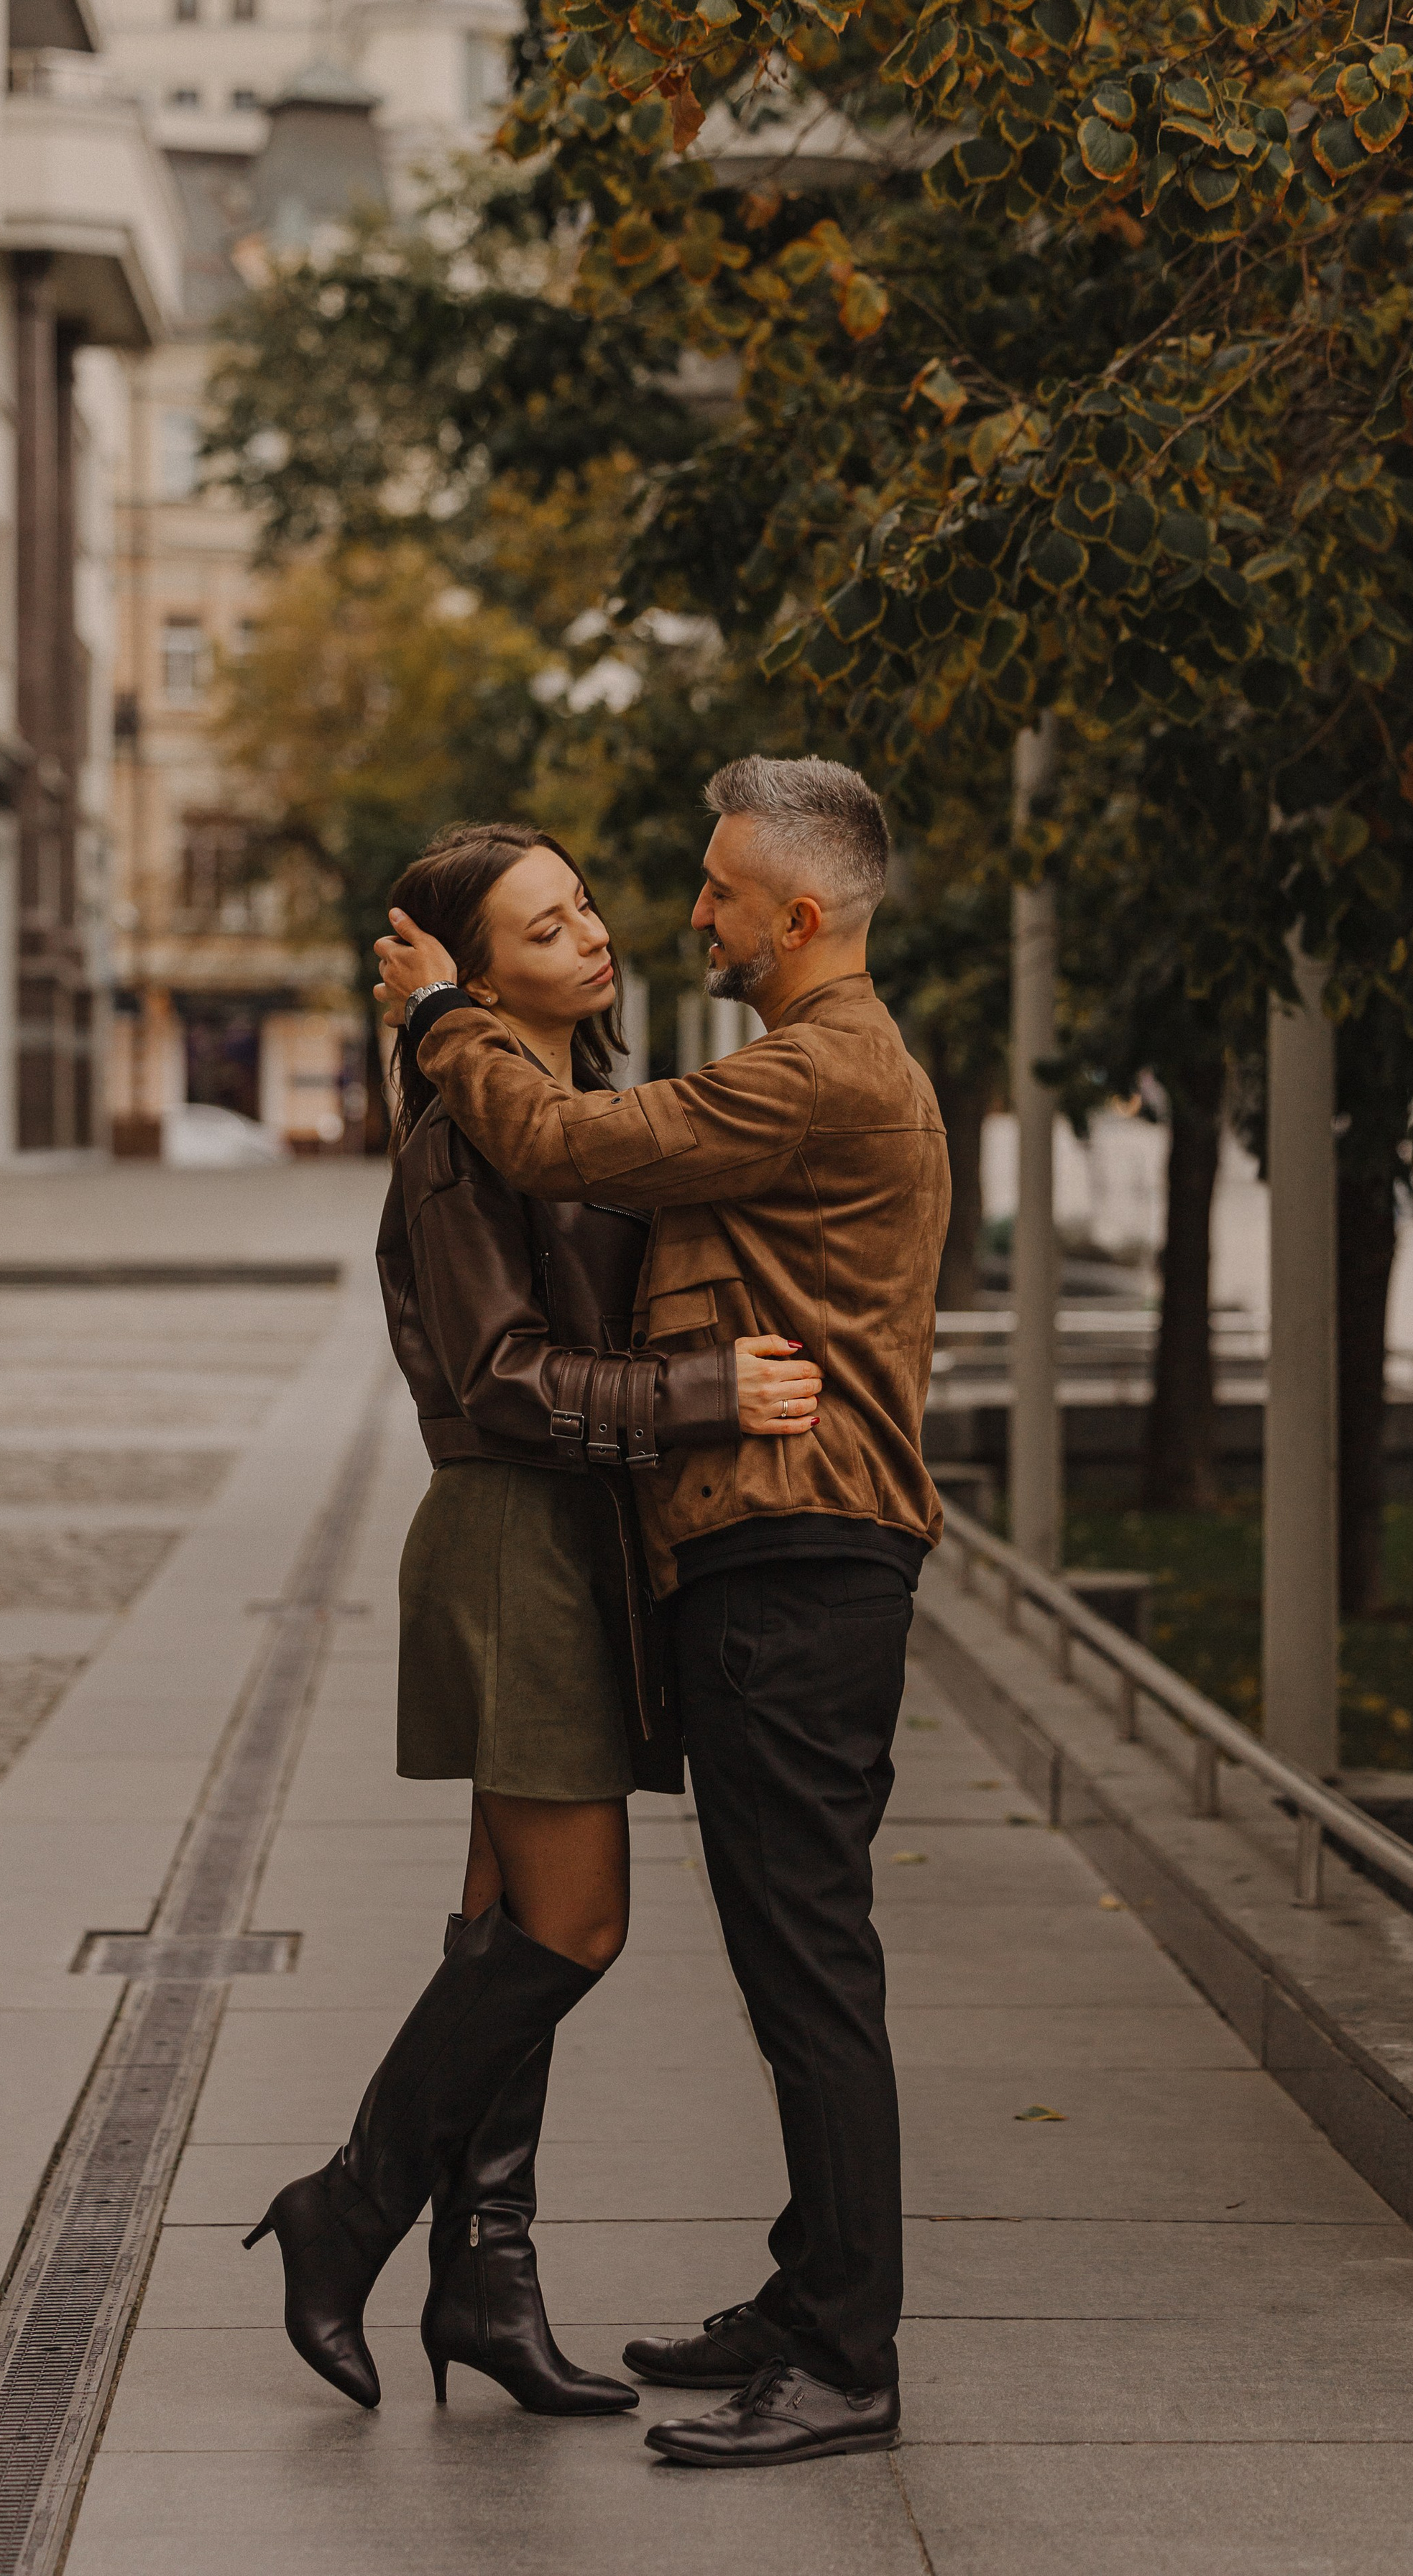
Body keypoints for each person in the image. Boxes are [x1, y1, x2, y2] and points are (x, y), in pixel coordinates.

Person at [374, 758, 949, 2471]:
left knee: (806, 1970)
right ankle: (807, 2292)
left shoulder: (815, 1073)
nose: (675, 911)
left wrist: (436, 1019)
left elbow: (559, 1141)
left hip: (801, 1555)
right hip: (762, 1551)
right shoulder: (802, 1067)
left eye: (709, 890)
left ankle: (845, 2356)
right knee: (785, 1960)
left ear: (792, 915)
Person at [245, 819, 824, 2419]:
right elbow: (501, 1380)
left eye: (583, 907)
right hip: (517, 1540)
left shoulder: (574, 1117)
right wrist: (708, 1393)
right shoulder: (463, 1136)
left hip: (575, 1542)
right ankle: (348, 2208)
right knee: (574, 1928)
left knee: (506, 1929)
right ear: (473, 976)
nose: (590, 936)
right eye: (539, 925)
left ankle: (484, 2280)